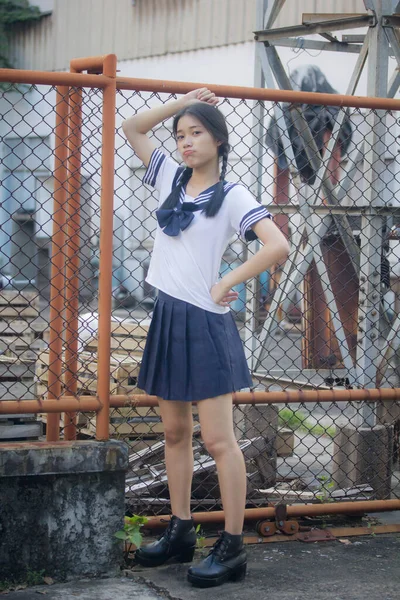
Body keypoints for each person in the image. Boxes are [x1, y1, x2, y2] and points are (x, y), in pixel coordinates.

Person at [121, 88, 289, 588]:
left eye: (197, 133)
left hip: (206, 322)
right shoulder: (169, 177)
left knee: (218, 440)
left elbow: (278, 244)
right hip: (168, 315)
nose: (186, 143)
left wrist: (227, 282)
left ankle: (233, 547)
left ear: (218, 139)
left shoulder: (233, 194)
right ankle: (180, 531)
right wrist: (178, 105)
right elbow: (133, 128)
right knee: (174, 433)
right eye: (180, 136)